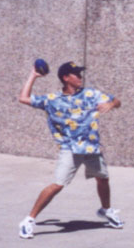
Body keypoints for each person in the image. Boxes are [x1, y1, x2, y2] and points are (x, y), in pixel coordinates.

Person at [17, 61, 123, 238]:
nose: (80, 78)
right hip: (70, 149)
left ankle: (106, 210)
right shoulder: (52, 100)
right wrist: (33, 76)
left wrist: (111, 105)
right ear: (66, 78)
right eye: (76, 75)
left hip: (91, 147)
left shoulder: (91, 94)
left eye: (80, 74)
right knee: (58, 184)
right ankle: (29, 220)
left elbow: (116, 101)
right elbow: (24, 98)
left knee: (103, 179)